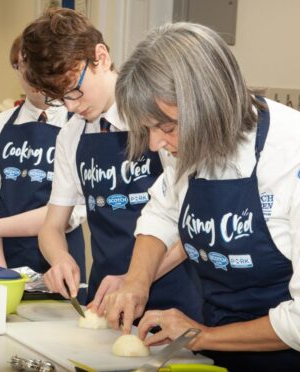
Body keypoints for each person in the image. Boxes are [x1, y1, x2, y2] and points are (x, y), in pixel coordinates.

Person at [104, 22, 300, 372]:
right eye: (147, 130)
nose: (154, 144)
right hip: (226, 345)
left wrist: (201, 335)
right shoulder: (181, 139)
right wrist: (136, 281)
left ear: (208, 107)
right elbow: (163, 210)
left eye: (167, 129)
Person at [21, 8, 202, 320]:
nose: (72, 106)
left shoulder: (160, 119)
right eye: (60, 99)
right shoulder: (72, 136)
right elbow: (51, 227)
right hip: (105, 297)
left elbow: (191, 227)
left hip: (174, 294)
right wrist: (60, 258)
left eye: (75, 91)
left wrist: (137, 280)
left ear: (100, 57)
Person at [0, 35, 86, 286]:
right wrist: (2, 281)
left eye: (39, 65)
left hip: (58, 266)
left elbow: (66, 212)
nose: (31, 75)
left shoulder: (80, 125)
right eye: (22, 64)